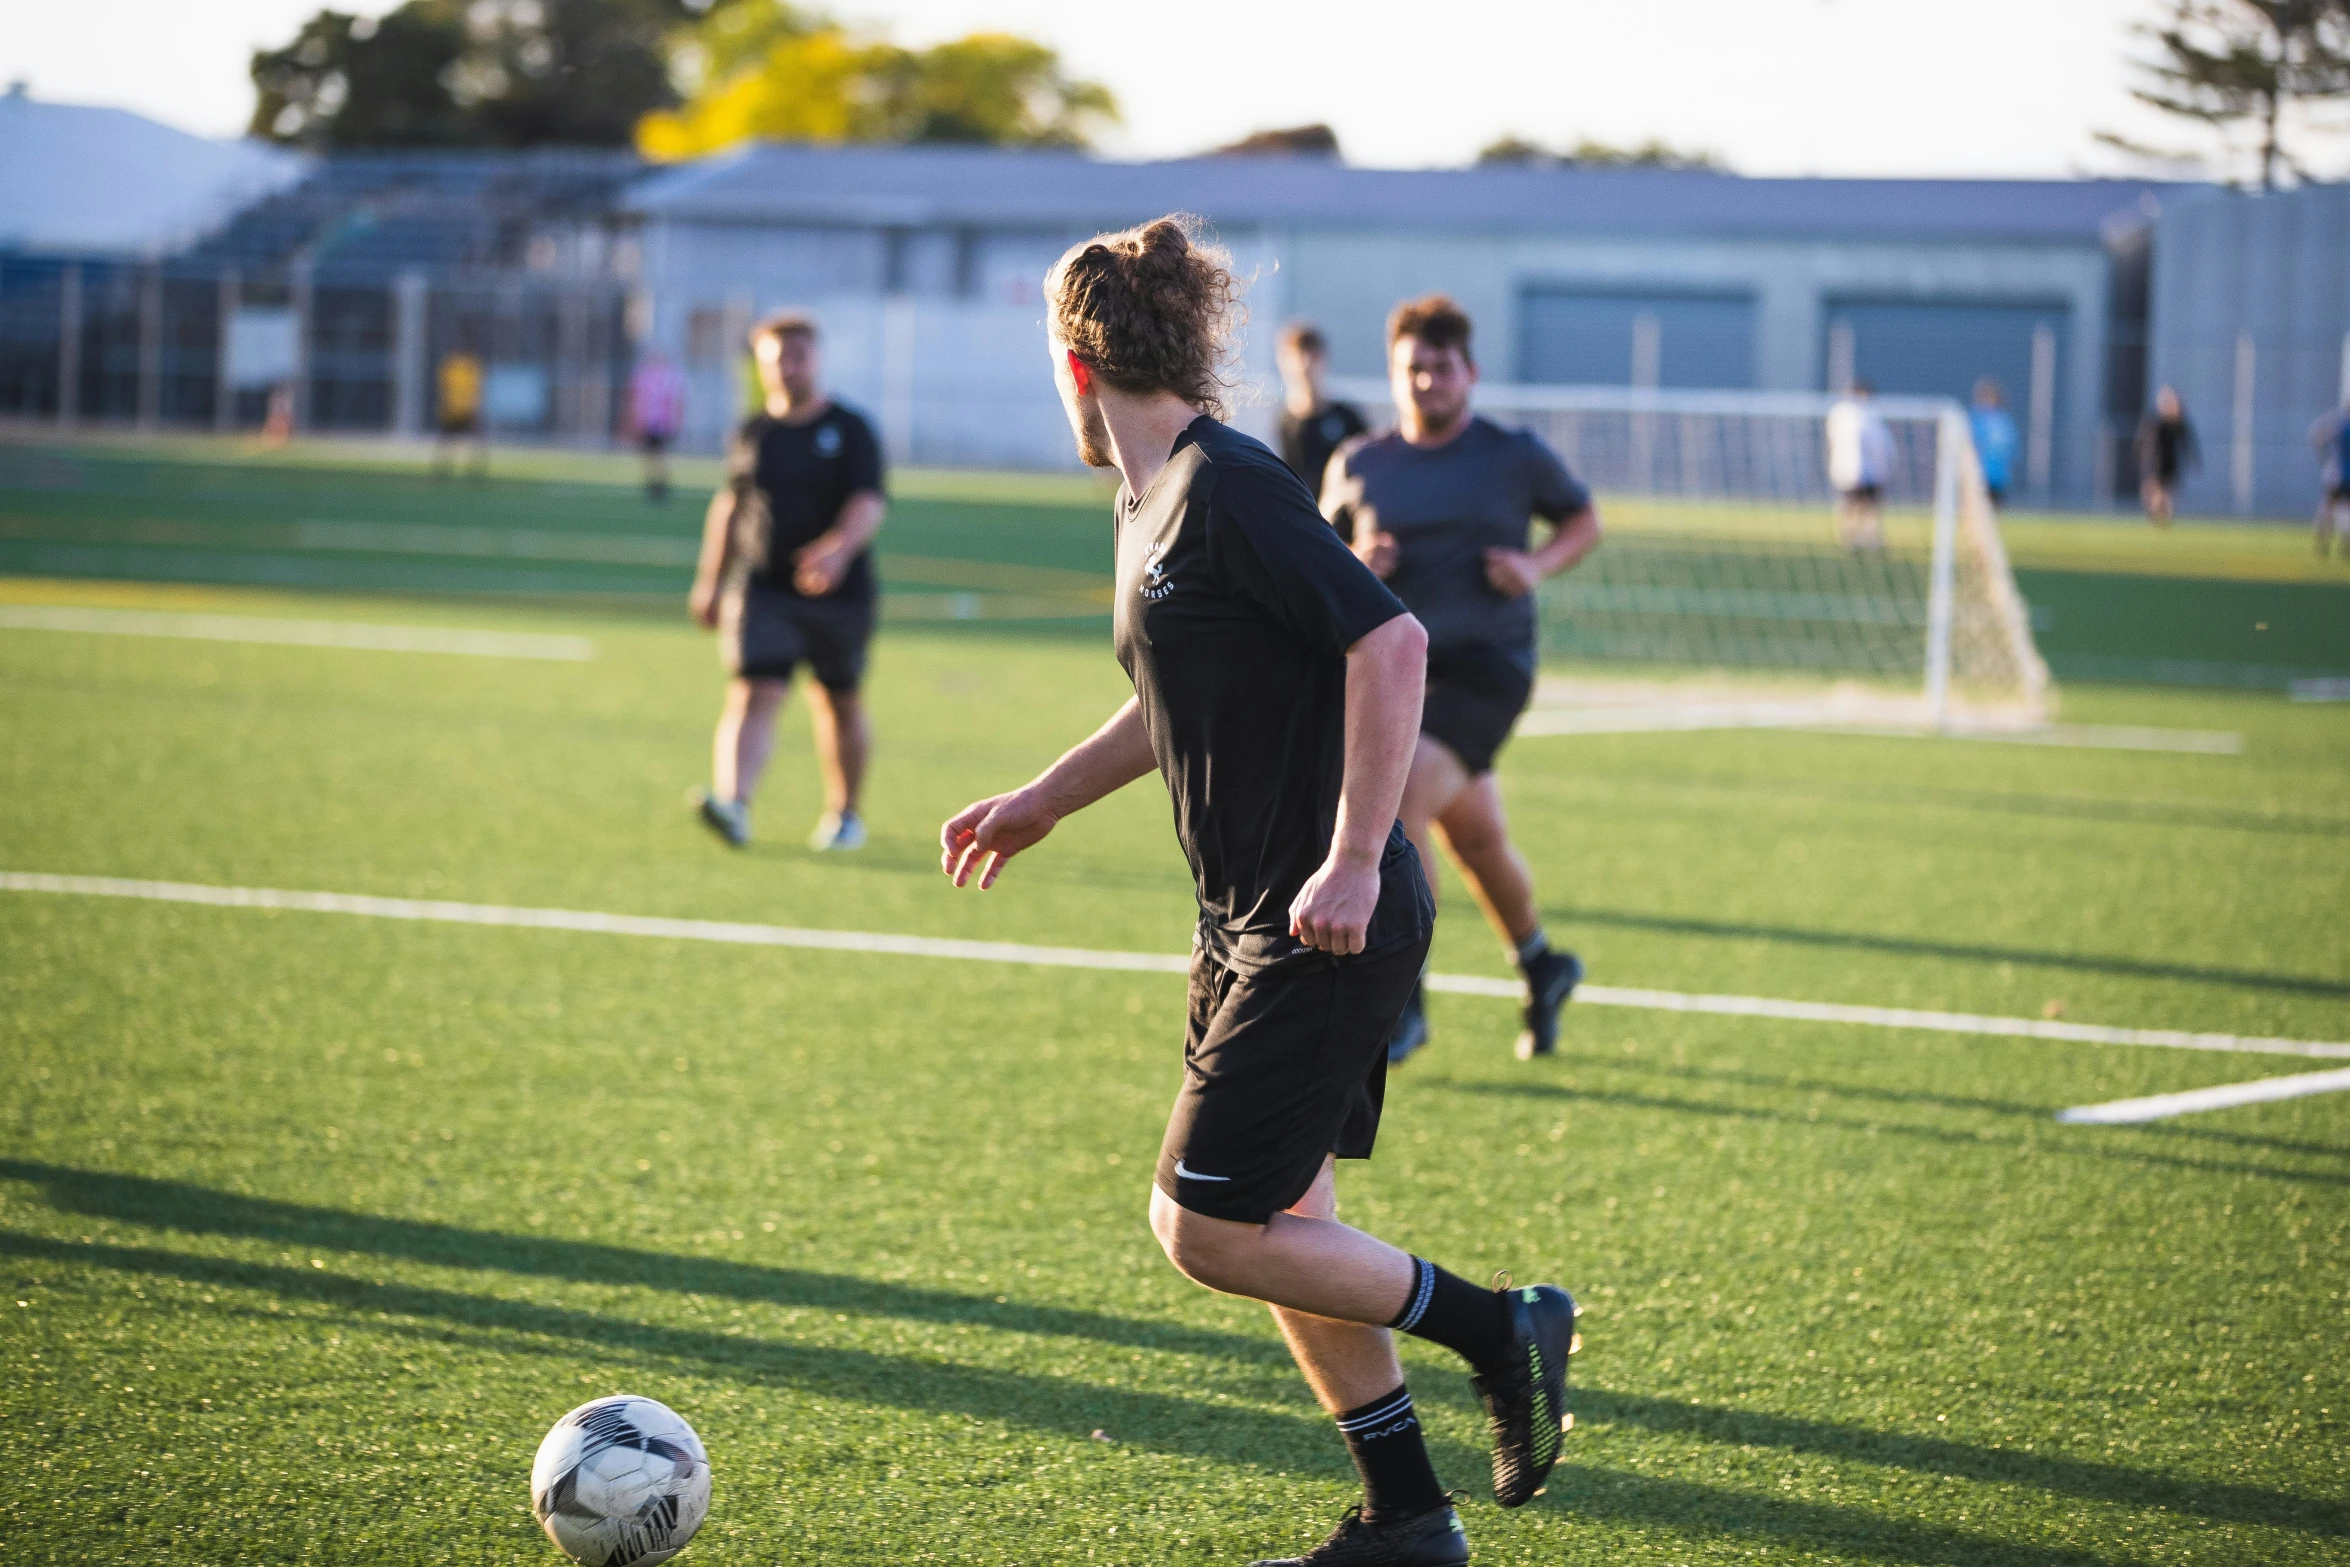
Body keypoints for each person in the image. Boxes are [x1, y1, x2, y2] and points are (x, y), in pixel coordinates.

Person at [940, 217, 1580, 1567]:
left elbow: (1390, 644)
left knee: (1204, 1221)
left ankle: (1497, 1323)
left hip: (1320, 916)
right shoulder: (1148, 498)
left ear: (1072, 362)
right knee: (1287, 1223)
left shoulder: (1227, 482)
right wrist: (1043, 794)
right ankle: (1406, 1516)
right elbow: (1172, 698)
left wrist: (1354, 854)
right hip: (1241, 920)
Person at [1321, 296, 1600, 1066]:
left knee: (1397, 800)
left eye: (1441, 369)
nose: (1426, 382)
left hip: (1487, 669)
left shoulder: (1513, 454)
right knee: (1475, 837)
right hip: (1395, 673)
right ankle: (1542, 963)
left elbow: (1585, 520)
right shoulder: (1359, 462)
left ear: (1470, 373)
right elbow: (1318, 559)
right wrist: (1356, 564)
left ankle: (1402, 1002)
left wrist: (1536, 566)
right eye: (1413, 368)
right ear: (1393, 373)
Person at [687, 312, 886, 852]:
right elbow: (730, 506)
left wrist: (839, 550)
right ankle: (735, 805)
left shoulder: (851, 429)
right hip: (763, 588)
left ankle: (845, 814)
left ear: (815, 360)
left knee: (838, 701)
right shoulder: (753, 433)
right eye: (777, 361)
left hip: (838, 594)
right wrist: (711, 580)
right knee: (754, 691)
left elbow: (868, 501)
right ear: (761, 366)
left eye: (798, 358)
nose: (788, 370)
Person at [1276, 321, 1368, 493]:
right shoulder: (1286, 422)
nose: (1305, 365)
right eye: (1297, 355)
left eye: (1312, 355)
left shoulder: (1347, 417)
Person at [1825, 380, 1893, 550]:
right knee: (1852, 506)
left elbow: (1882, 445)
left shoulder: (1868, 414)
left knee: (1869, 506)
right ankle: (1852, 540)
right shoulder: (1845, 414)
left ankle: (1869, 540)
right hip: (1851, 469)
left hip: (1868, 470)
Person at [628, 349, 688, 503]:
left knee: (660, 454)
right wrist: (635, 420)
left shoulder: (670, 377)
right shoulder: (644, 376)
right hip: (648, 422)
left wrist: (676, 421)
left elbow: (677, 401)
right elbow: (636, 399)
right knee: (649, 455)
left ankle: (660, 485)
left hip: (663, 423)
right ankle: (653, 484)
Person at [2135, 386, 2198, 528]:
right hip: (2153, 462)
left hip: (2166, 462)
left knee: (2163, 491)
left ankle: (2162, 517)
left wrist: (2192, 460)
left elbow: (2187, 443)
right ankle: (2159, 515)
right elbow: (2142, 440)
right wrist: (2138, 455)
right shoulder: (2154, 420)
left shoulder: (2178, 423)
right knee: (2152, 490)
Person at [433, 341, 487, 480]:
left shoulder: (468, 365)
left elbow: (476, 388)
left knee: (471, 440)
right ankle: (445, 470)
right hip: (456, 409)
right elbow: (445, 388)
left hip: (463, 409)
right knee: (447, 441)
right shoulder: (457, 365)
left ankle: (473, 471)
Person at [1969, 377, 2020, 507]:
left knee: (1993, 510)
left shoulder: (2002, 421)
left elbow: (2012, 448)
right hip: (1980, 474)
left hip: (1997, 475)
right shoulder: (1977, 419)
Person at [2309, 397, 2350, 557]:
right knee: (2346, 509)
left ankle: (2322, 543)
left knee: (2327, 508)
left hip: (2337, 475)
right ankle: (2345, 544)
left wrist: (2323, 455)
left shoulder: (2339, 426)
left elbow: (2317, 435)